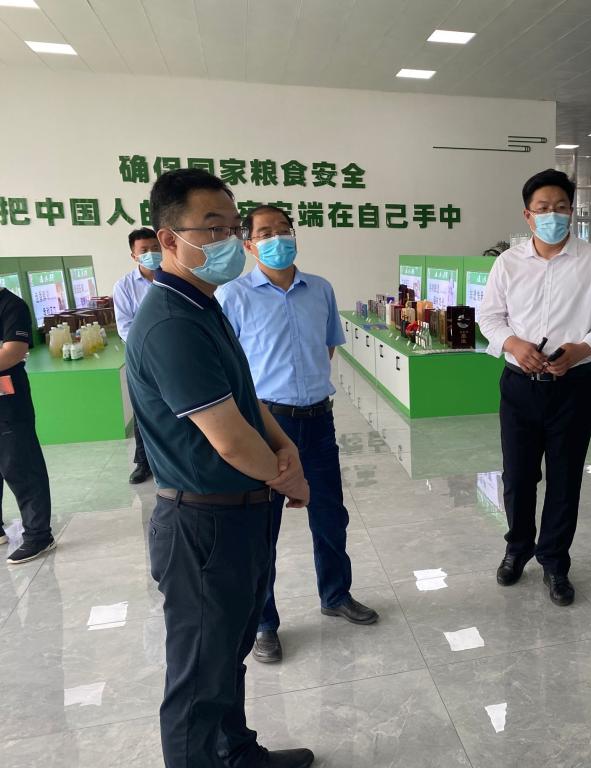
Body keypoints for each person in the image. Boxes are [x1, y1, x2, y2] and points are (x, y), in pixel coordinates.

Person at [126, 169, 314, 768]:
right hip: (203, 526)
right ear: (169, 239)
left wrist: (285, 446)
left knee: (227, 655)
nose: (229, 240)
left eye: (233, 228)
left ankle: (237, 755)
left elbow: (246, 398)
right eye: (212, 228)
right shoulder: (171, 322)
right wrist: (288, 475)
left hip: (238, 515)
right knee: (198, 682)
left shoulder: (203, 304)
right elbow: (230, 441)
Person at [218, 205, 378, 665]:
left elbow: (327, 348)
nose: (277, 239)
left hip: (318, 420)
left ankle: (336, 594)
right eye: (265, 233)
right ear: (249, 245)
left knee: (330, 516)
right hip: (265, 424)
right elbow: (227, 366)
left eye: (284, 230)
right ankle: (264, 623)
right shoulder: (232, 296)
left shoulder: (320, 289)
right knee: (261, 528)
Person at [478, 168, 591, 607]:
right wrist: (513, 344)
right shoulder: (508, 263)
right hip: (519, 386)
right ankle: (517, 549)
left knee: (565, 477)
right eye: (543, 208)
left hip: (573, 386)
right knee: (518, 476)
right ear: (528, 215)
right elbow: (490, 317)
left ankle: (555, 562)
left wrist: (583, 348)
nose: (552, 215)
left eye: (561, 207)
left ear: (572, 212)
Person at [0, 286, 55, 565]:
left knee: (20, 465)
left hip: (7, 400)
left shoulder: (11, 305)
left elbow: (13, 352)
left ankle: (38, 534)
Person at [113, 226, 161, 484]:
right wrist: (151, 347)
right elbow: (125, 326)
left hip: (177, 355)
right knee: (144, 409)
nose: (151, 253)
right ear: (134, 255)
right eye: (144, 250)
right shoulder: (124, 286)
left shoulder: (175, 277)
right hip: (142, 357)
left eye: (155, 248)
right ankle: (144, 463)